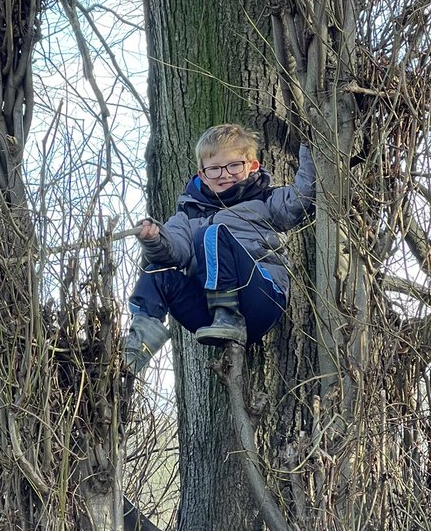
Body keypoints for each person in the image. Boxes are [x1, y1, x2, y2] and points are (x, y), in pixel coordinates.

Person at [123, 123, 315, 374]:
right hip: (209, 316)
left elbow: (302, 199)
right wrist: (153, 238)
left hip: (260, 299)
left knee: (212, 233)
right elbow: (173, 251)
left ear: (252, 166)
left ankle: (229, 316)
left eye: (234, 165)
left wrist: (310, 147)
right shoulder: (188, 215)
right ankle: (134, 351)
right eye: (214, 169)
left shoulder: (265, 200)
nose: (225, 175)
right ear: (202, 175)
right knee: (156, 272)